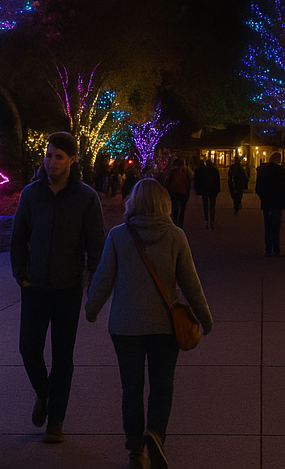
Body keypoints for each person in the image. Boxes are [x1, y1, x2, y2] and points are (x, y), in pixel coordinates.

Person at [86, 177, 213, 469]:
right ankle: (155, 433)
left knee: (131, 388)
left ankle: (134, 451)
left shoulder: (118, 235)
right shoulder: (176, 236)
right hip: (165, 328)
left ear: (134, 202)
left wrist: (92, 308)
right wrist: (204, 318)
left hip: (125, 326)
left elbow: (104, 277)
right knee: (162, 384)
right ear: (164, 203)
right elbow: (190, 283)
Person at [11, 131, 105, 443]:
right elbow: (18, 239)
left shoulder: (86, 197)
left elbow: (96, 246)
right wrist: (21, 274)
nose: (52, 162)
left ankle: (56, 419)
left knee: (63, 356)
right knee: (29, 349)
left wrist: (93, 284)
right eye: (49, 155)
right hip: (35, 286)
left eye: (59, 157)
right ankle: (44, 392)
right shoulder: (31, 194)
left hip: (67, 289)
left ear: (72, 159)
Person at [254, 151, 285, 255]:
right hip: (277, 203)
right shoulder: (281, 172)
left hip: (267, 203)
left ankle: (268, 248)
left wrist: (263, 198)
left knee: (267, 227)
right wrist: (284, 202)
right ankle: (276, 248)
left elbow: (258, 188)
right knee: (276, 227)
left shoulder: (264, 171)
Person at [163, 158, 192, 228]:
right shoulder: (186, 171)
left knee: (175, 208)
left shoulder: (172, 171)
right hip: (184, 192)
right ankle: (181, 224)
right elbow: (189, 181)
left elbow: (167, 181)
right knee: (182, 209)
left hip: (174, 191)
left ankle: (175, 222)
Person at [195, 156, 221, 229]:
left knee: (205, 206)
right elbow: (217, 181)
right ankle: (212, 221)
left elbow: (199, 180)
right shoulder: (215, 171)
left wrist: (199, 190)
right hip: (213, 191)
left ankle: (206, 221)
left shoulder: (203, 171)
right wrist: (217, 190)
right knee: (212, 206)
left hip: (205, 190)